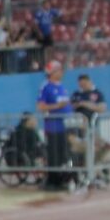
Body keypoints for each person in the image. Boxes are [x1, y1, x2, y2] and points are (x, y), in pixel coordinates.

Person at [36, 59, 73, 191]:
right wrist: (57, 106)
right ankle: (52, 180)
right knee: (54, 155)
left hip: (65, 127)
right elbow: (40, 106)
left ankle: (61, 179)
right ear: (52, 72)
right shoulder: (46, 86)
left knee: (63, 154)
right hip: (53, 127)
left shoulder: (62, 87)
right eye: (58, 70)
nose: (61, 72)